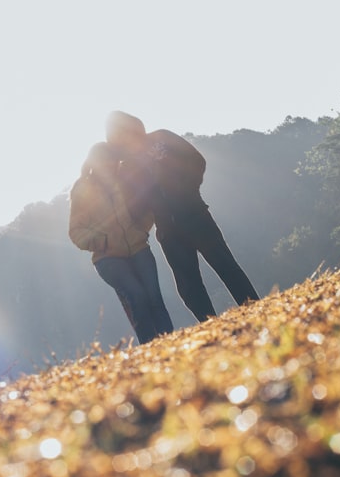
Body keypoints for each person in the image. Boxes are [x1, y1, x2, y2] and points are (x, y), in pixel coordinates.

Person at [105, 111, 260, 322]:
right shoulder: (125, 168)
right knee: (188, 284)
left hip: (195, 214)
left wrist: (188, 191)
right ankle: (210, 325)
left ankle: (254, 309)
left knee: (225, 265)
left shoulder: (161, 138)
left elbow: (196, 161)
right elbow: (133, 206)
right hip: (168, 231)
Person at [68, 142, 174, 344]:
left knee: (154, 299)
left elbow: (147, 206)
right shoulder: (82, 188)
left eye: (111, 159)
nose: (108, 164)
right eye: (103, 160)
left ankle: (171, 347)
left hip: (139, 249)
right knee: (137, 297)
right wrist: (103, 242)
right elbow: (75, 231)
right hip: (108, 258)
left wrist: (141, 229)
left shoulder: (125, 181)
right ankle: (151, 350)